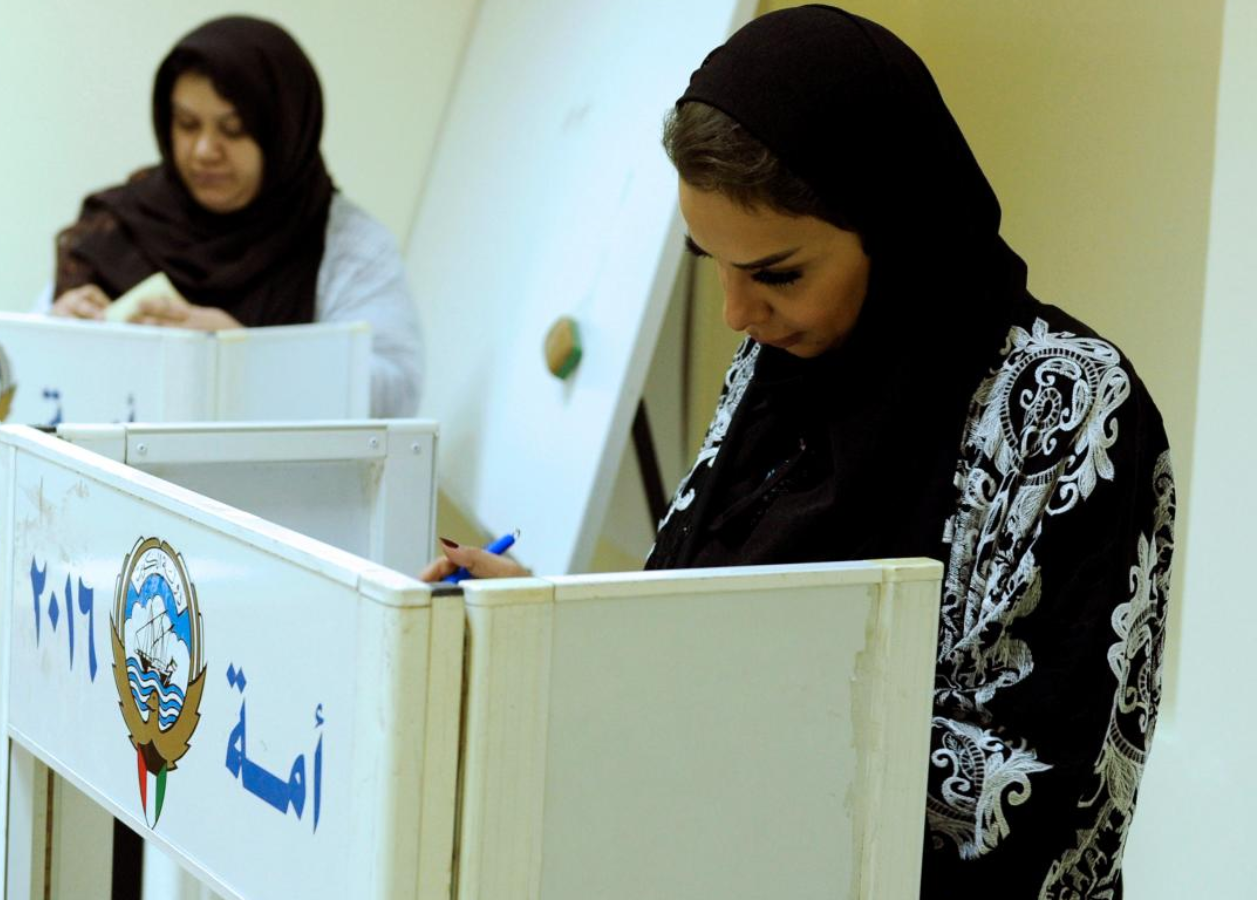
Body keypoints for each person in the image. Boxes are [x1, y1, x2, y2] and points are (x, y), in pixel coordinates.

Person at [424, 7, 1173, 897]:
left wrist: (713, 711)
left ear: (894, 227)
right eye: (710, 260)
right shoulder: (779, 371)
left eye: (778, 273)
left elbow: (1036, 798)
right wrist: (556, 627)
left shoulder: (1068, 408)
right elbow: (690, 625)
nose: (737, 314)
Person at [44, 16, 423, 417]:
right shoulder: (119, 222)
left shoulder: (345, 244)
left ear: (283, 133)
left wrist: (249, 358)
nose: (205, 150)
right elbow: (28, 373)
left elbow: (396, 395)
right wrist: (55, 331)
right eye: (187, 125)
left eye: (234, 129)